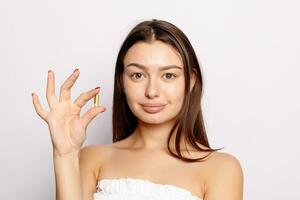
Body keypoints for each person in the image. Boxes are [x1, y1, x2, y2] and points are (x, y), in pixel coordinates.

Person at [32, 19, 243, 200]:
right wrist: (64, 154)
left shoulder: (221, 169)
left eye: (168, 75)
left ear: (191, 81)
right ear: (122, 81)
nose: (152, 91)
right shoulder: (93, 159)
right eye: (138, 75)